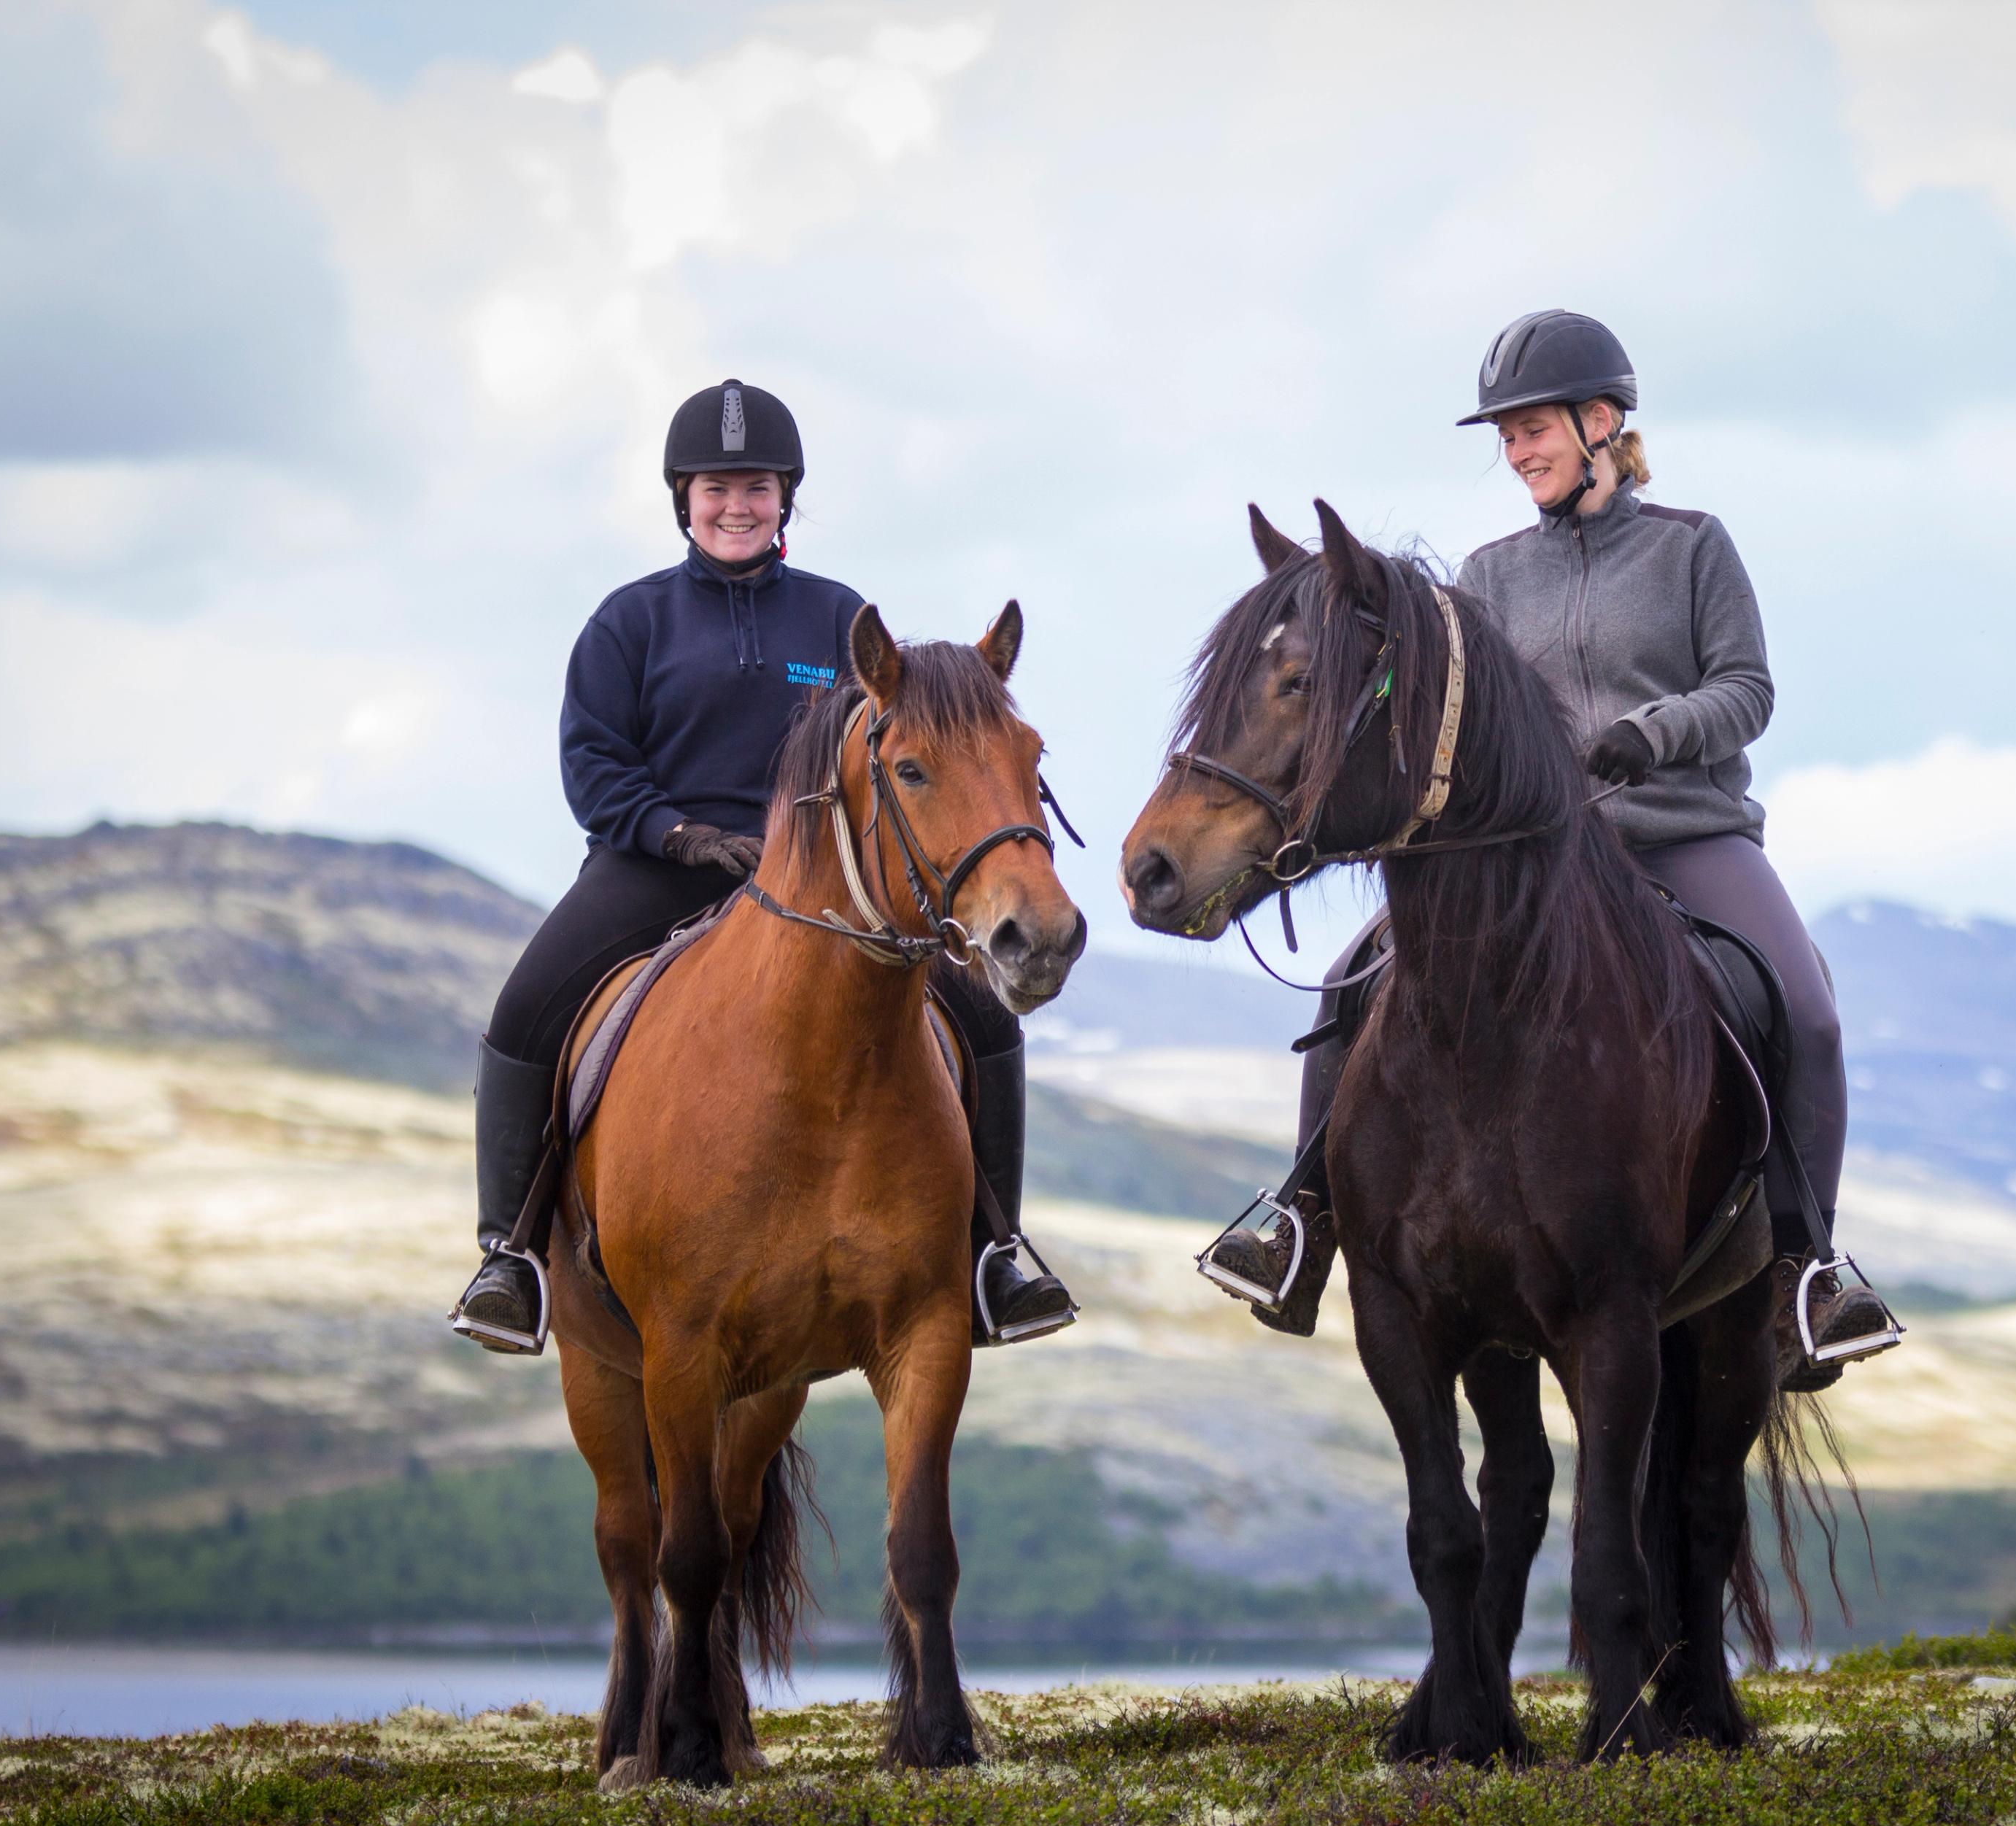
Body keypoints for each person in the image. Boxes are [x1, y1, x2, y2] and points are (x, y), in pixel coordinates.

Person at [1202, 312, 1888, 1388]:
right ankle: (1301, 1221)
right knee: (1351, 983)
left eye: (1533, 430)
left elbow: (1747, 690)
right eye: (1508, 436)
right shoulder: (1490, 571)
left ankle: (1810, 1270)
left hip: (1681, 836)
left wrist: (1648, 735)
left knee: (1806, 1007)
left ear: (1602, 421)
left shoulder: (1693, 547)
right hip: (1537, 856)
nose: (1518, 452)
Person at [449, 379, 1075, 1355]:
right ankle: (512, 1256)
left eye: (755, 487)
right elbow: (593, 763)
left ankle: (996, 1251)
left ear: (786, 498)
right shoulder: (628, 623)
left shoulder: (841, 624)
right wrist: (678, 834)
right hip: (657, 868)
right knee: (527, 1008)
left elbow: (905, 745)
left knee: (986, 1013)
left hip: (820, 885)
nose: (735, 505)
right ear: (683, 499)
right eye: (715, 488)